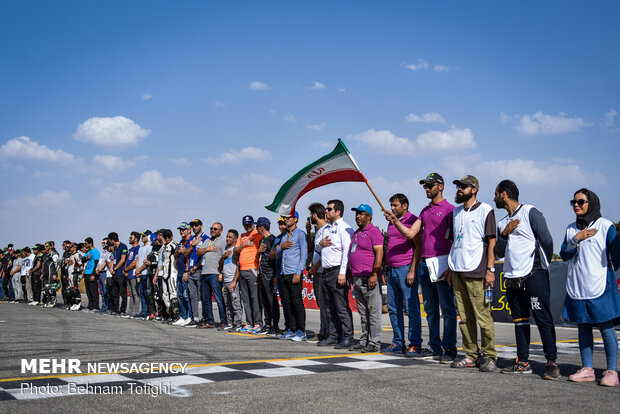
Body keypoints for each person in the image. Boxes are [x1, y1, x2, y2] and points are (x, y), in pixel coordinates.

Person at [385, 175, 458, 362]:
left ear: (440, 187)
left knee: (448, 309)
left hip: (443, 262)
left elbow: (455, 239)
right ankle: (435, 347)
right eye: (425, 186)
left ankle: (449, 348)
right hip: (425, 265)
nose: (426, 189)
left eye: (430, 185)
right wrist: (395, 221)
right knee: (431, 309)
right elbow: (410, 233)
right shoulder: (425, 211)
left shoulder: (451, 210)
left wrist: (450, 265)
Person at [494, 180, 559, 380]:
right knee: (520, 321)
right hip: (513, 277)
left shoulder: (530, 212)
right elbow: (498, 252)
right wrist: (504, 234)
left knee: (542, 318)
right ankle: (523, 361)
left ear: (504, 194)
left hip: (533, 273)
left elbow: (547, 240)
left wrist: (541, 266)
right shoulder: (502, 222)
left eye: (496, 194)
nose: (494, 198)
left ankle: (551, 362)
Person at [561, 188, 620, 387]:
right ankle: (587, 369)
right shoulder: (571, 228)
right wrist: (577, 238)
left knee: (606, 327)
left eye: (581, 201)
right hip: (578, 285)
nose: (576, 205)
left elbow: (617, 253)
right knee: (583, 326)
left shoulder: (605, 226)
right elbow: (564, 254)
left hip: (600, 284)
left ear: (592, 203)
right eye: (573, 202)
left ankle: (611, 371)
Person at [447, 175, 498, 372]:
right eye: (458, 186)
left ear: (474, 189)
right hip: (458, 270)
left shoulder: (485, 210)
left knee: (482, 316)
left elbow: (491, 242)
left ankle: (490, 356)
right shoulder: (456, 212)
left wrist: (490, 270)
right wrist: (451, 269)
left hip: (477, 271)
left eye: (463, 186)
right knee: (465, 318)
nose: (459, 189)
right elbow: (454, 241)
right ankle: (470, 354)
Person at [381, 193, 422, 356]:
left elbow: (418, 246)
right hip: (391, 270)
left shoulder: (413, 221)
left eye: (395, 205)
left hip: (406, 269)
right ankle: (398, 342)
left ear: (404, 206)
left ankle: (415, 343)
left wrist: (413, 269)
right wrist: (386, 268)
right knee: (393, 308)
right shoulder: (391, 223)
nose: (392, 208)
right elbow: (389, 245)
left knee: (411, 309)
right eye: (391, 205)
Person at [316, 200, 355, 349]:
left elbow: (347, 252)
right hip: (325, 271)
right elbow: (318, 247)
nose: (326, 211)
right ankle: (333, 335)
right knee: (328, 306)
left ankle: (347, 336)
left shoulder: (345, 228)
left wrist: (343, 272)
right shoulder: (326, 228)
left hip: (337, 270)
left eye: (329, 209)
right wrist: (321, 244)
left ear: (338, 211)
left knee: (341, 306)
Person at [348, 204, 384, 352]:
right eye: (357, 214)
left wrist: (374, 274)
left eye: (361, 214)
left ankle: (374, 342)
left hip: (368, 277)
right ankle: (364, 340)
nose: (358, 216)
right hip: (356, 278)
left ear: (369, 216)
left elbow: (379, 253)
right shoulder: (356, 233)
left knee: (373, 312)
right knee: (363, 313)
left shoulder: (374, 232)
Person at [275, 211, 308, 341]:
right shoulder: (284, 236)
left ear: (295, 219)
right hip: (283, 273)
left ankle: (301, 331)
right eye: (285, 217)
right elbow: (278, 254)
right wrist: (281, 247)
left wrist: (298, 272)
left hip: (294, 273)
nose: (286, 219)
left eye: (289, 218)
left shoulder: (300, 234)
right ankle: (292, 329)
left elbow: (304, 255)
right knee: (287, 303)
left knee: (297, 302)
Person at [232, 215, 263, 332]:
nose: (248, 226)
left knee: (255, 298)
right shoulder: (242, 236)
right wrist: (243, 245)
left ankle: (258, 323)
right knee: (246, 299)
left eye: (250, 224)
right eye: (246, 224)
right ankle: (249, 323)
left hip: (252, 269)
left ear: (253, 224)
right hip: (242, 270)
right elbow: (235, 251)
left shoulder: (257, 234)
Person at [196, 221, 228, 329]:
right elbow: (198, 252)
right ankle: (209, 321)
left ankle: (224, 320)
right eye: (211, 228)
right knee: (205, 299)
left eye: (215, 229)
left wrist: (221, 272)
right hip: (204, 273)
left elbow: (225, 257)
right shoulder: (207, 241)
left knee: (219, 299)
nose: (212, 230)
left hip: (215, 273)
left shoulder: (222, 241)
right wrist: (207, 249)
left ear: (221, 231)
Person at [307, 202, 331, 342]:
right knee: (321, 304)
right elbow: (316, 251)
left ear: (315, 215)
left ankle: (329, 332)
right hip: (317, 271)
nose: (310, 217)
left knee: (326, 304)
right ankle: (323, 331)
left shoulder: (328, 229)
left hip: (324, 271)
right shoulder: (319, 231)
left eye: (311, 214)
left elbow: (328, 253)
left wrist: (316, 266)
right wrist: (312, 265)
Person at [256, 217, 279, 335]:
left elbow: (274, 259)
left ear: (261, 227)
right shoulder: (262, 240)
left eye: (257, 227)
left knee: (271, 301)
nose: (256, 229)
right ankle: (267, 323)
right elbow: (258, 257)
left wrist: (275, 275)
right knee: (263, 301)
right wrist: (258, 251)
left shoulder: (272, 239)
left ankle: (275, 325)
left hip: (269, 274)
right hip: (261, 273)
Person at [185, 219, 209, 327]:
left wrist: (196, 266)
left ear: (201, 226)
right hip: (190, 270)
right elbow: (186, 253)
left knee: (202, 296)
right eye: (193, 226)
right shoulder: (191, 239)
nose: (194, 227)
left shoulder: (205, 238)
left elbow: (205, 256)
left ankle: (205, 318)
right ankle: (195, 318)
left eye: (196, 225)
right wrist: (192, 245)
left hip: (199, 270)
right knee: (192, 296)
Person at [155, 228, 180, 323]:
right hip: (164, 274)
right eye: (166, 237)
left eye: (169, 237)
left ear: (172, 236)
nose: (167, 238)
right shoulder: (163, 247)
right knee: (165, 296)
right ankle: (169, 316)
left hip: (172, 273)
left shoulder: (174, 245)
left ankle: (177, 316)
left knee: (173, 295)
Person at [221, 230, 243, 331]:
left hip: (232, 280)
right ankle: (229, 323)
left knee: (235, 303)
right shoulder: (226, 248)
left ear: (235, 239)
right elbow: (220, 263)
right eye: (227, 237)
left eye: (230, 237)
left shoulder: (236, 250)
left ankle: (237, 323)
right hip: (225, 280)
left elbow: (239, 265)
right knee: (228, 303)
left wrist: (234, 281)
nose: (227, 239)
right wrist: (224, 256)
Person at [173, 222, 193, 326]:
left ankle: (190, 316)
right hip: (179, 272)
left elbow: (189, 257)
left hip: (186, 272)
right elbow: (175, 256)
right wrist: (180, 251)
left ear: (189, 230)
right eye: (180, 230)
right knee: (180, 295)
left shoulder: (191, 240)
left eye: (183, 229)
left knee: (187, 296)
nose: (181, 231)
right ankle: (184, 316)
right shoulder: (181, 242)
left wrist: (186, 271)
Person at [108, 232, 128, 316]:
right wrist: (112, 268)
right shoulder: (115, 248)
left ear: (112, 240)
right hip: (115, 274)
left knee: (123, 293)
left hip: (121, 273)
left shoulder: (123, 246)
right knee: (114, 293)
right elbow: (114, 260)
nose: (109, 241)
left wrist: (115, 268)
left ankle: (122, 310)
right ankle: (115, 310)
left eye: (109, 240)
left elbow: (123, 260)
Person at [135, 231, 154, 319]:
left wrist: (140, 269)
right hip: (140, 273)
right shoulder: (141, 248)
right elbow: (138, 259)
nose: (142, 237)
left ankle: (147, 311)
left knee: (147, 293)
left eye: (144, 236)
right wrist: (137, 270)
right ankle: (143, 311)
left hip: (146, 273)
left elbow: (147, 261)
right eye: (141, 236)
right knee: (141, 293)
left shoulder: (150, 247)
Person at [124, 232, 141, 318]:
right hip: (128, 273)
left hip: (134, 273)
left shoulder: (138, 248)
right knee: (130, 293)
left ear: (136, 239)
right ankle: (130, 310)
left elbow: (135, 262)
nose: (129, 239)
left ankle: (136, 310)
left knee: (135, 292)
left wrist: (127, 269)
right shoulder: (130, 250)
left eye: (131, 238)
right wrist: (125, 270)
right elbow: (127, 261)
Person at [82, 237, 100, 312]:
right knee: (88, 290)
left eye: (86, 243)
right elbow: (82, 259)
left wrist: (93, 274)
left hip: (92, 273)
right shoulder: (88, 251)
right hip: (87, 272)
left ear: (90, 243)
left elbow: (96, 263)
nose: (85, 245)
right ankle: (90, 305)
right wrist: (86, 258)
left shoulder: (95, 251)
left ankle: (96, 306)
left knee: (93, 290)